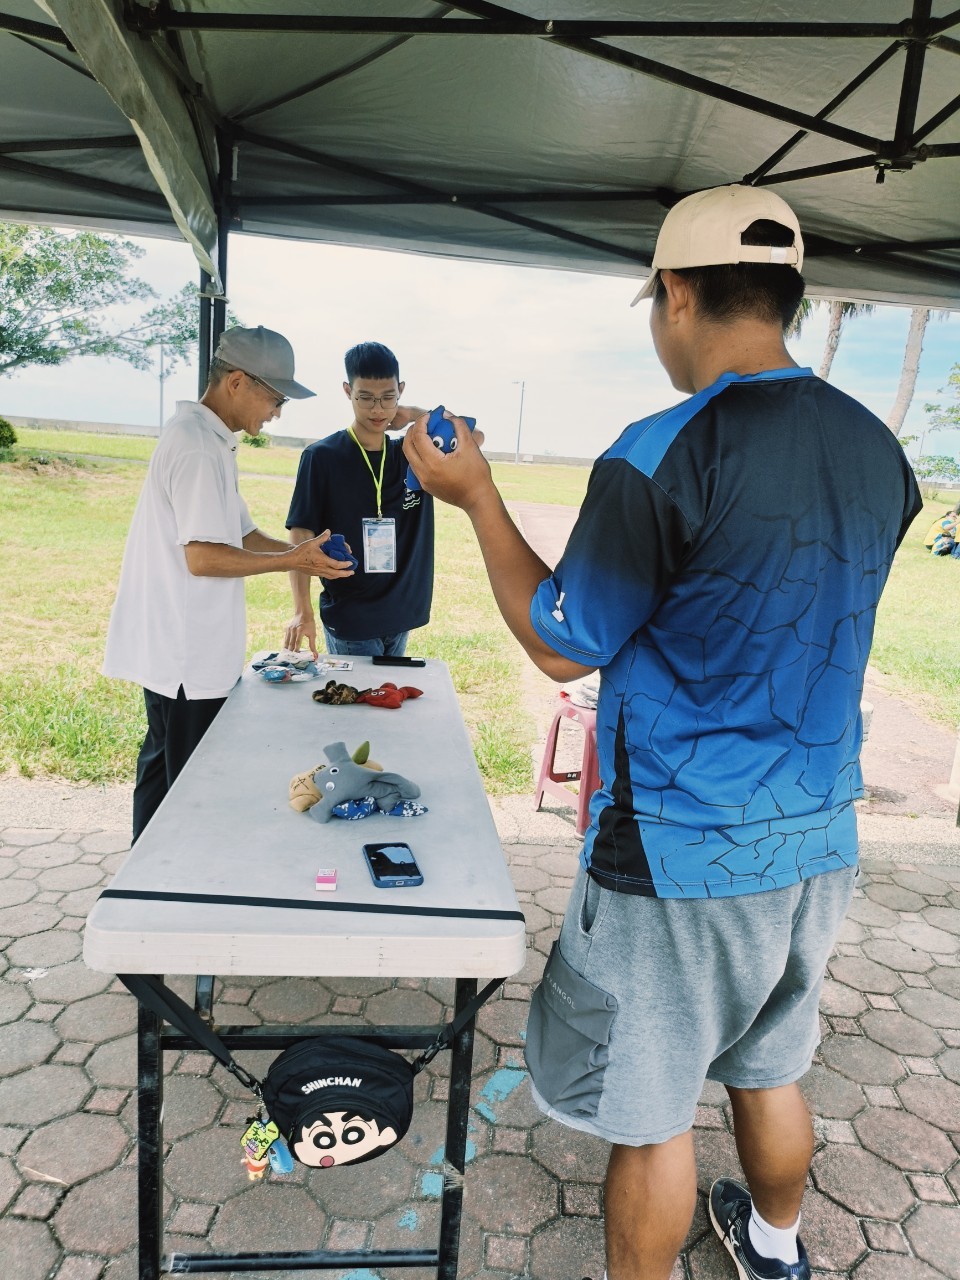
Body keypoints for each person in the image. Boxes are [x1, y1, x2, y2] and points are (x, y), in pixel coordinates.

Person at [403, 185, 922, 1280]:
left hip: (680, 839)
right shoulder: (877, 446)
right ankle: (777, 1246)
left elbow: (562, 640)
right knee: (771, 1063)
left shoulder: (662, 446)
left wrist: (477, 492)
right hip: (819, 830)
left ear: (676, 293)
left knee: (651, 1112)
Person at [103, 325, 354, 842]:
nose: (277, 412)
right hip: (185, 657)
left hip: (180, 651)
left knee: (161, 769)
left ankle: (143, 875)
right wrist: (292, 560)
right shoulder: (196, 448)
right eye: (275, 397)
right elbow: (202, 557)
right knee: (189, 784)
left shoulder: (211, 442)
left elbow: (239, 533)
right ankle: (170, 884)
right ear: (237, 382)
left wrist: (298, 556)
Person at [284, 341, 430, 658]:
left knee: (388, 702)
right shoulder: (321, 457)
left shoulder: (415, 453)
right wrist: (301, 609)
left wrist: (418, 416)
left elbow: (471, 440)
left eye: (387, 397)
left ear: (401, 391)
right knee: (355, 705)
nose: (377, 409)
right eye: (365, 397)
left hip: (401, 612)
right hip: (351, 616)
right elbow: (301, 533)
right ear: (348, 391)